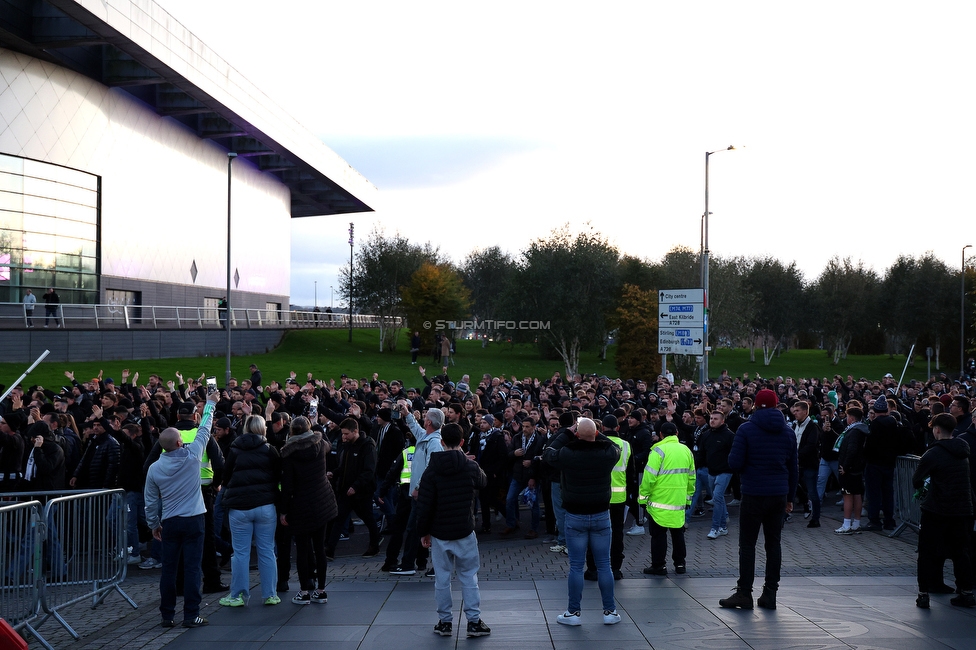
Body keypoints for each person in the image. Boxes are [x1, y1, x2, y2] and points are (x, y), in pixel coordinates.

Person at [144, 388, 218, 629]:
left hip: (171, 521)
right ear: (179, 442)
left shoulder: (154, 468)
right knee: (192, 568)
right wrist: (209, 404)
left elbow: (151, 499)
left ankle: (167, 615)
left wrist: (154, 524)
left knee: (169, 569)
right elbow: (205, 428)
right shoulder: (192, 457)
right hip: (195, 518)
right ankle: (191, 614)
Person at [719, 388, 797, 611]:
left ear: (755, 405)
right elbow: (794, 469)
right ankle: (770, 593)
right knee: (773, 543)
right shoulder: (788, 432)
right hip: (778, 495)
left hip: (753, 493)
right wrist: (790, 498)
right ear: (776, 405)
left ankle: (744, 592)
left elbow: (734, 463)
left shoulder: (746, 429)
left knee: (747, 544)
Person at [542, 417, 622, 626]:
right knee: (605, 565)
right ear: (597, 434)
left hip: (575, 515)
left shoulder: (568, 453)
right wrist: (595, 431)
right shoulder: (606, 454)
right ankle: (610, 611)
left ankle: (573, 613)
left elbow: (548, 452)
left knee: (576, 567)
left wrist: (567, 432)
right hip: (601, 514)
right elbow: (614, 446)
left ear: (576, 435)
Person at [415, 423, 491, 638]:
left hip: (440, 532)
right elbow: (484, 482)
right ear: (462, 442)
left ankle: (445, 621)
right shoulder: (470, 467)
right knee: (469, 576)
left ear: (441, 442)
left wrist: (424, 532)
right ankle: (474, 621)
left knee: (442, 578)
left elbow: (425, 505)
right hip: (464, 529)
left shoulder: (432, 470)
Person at [218, 413, 281, 607]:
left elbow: (225, 477)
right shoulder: (269, 450)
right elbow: (279, 475)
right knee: (267, 551)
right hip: (265, 505)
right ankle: (270, 594)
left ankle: (237, 595)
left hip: (239, 507)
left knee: (240, 553)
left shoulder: (235, 449)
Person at [914, 413, 975, 608]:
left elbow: (916, 480)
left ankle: (923, 593)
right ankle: (966, 591)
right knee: (960, 552)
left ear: (937, 429)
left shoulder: (933, 453)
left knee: (926, 552)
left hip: (937, 509)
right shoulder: (963, 451)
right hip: (962, 508)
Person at [279, 417, 337, 605]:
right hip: (321, 500)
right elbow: (327, 443)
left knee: (302, 550)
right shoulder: (320, 445)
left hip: (301, 504)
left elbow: (287, 485)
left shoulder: (288, 454)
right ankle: (321, 590)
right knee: (319, 548)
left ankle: (304, 591)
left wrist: (283, 510)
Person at [639, 421, 695, 576]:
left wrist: (642, 499)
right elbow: (692, 478)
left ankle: (659, 566)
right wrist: (688, 499)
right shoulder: (686, 451)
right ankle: (680, 564)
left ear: (661, 435)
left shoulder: (658, 450)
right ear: (677, 433)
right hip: (678, 501)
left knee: (658, 536)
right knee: (678, 534)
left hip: (659, 503)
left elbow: (649, 477)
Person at [324, 418, 381, 560]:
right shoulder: (348, 445)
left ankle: (375, 543)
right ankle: (329, 550)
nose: (343, 437)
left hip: (362, 491)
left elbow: (369, 470)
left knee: (367, 517)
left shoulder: (367, 445)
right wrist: (334, 473)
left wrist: (356, 486)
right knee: (339, 518)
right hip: (346, 490)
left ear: (355, 431)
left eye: (346, 434)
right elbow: (344, 466)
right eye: (342, 434)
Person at [700, 410, 735, 539]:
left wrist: (732, 467)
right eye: (711, 418)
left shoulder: (729, 435)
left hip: (725, 471)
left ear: (722, 421)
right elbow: (703, 452)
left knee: (717, 497)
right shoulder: (706, 435)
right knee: (718, 499)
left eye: (715, 419)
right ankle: (724, 522)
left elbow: (735, 453)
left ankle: (716, 528)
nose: (712, 421)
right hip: (711, 471)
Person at [835, 406, 869, 534]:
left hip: (850, 469)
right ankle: (856, 523)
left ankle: (847, 523)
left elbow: (852, 450)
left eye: (847, 416)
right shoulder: (861, 430)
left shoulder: (854, 432)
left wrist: (846, 466)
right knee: (857, 495)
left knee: (848, 495)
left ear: (852, 418)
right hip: (857, 468)